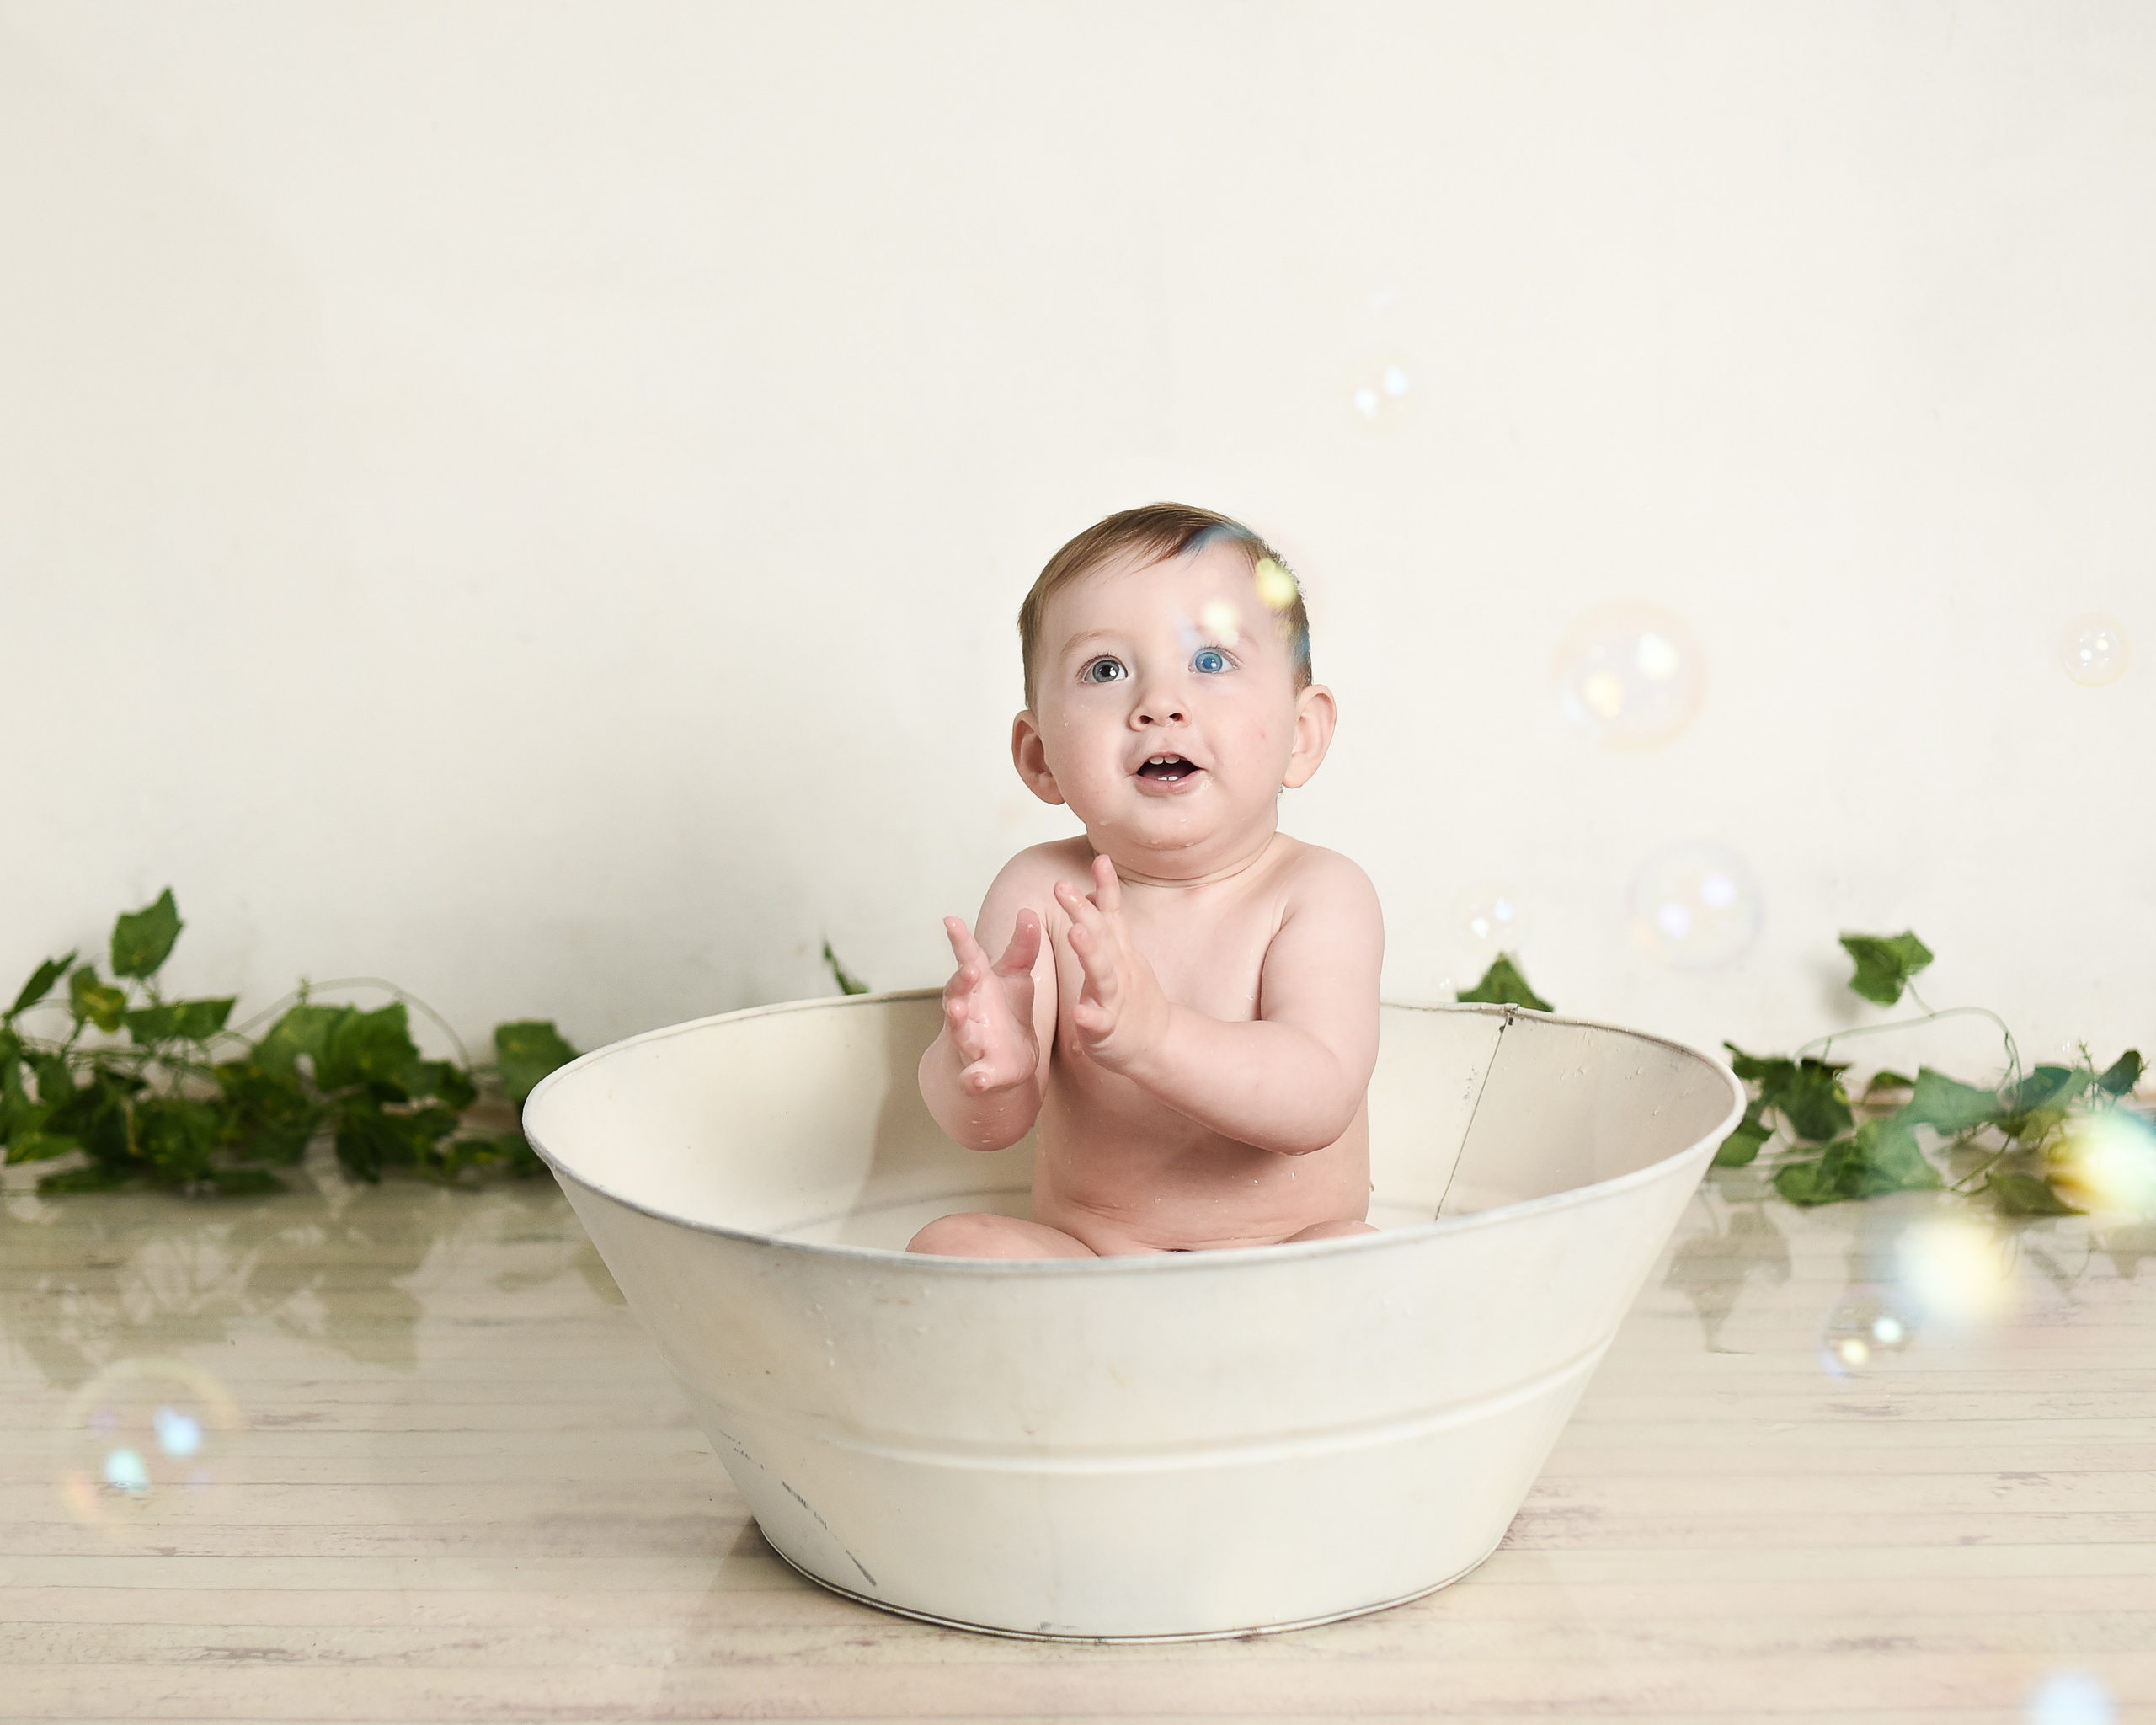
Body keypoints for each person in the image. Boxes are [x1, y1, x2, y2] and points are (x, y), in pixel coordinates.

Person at [910, 503, 1383, 1257]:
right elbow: (987, 1133)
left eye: (1211, 661)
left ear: (1302, 735)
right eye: (1106, 670)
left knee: (1357, 1254)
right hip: (1098, 1266)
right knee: (952, 1246)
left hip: (1282, 1265)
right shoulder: (1042, 893)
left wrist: (1155, 1037)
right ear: (1039, 756)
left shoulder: (1318, 893)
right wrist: (984, 1066)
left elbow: (1318, 1098)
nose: (1159, 704)